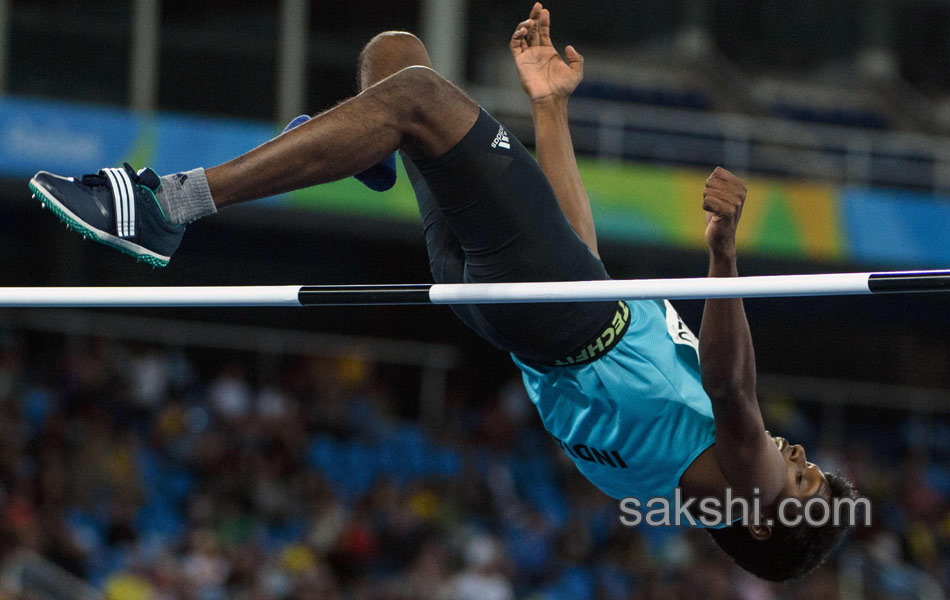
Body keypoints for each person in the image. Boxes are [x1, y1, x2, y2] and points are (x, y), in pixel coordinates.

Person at [28, 2, 856, 582]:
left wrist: (721, 256)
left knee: (421, 98)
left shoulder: (734, 480)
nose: (796, 458)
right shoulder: (669, 458)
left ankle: (166, 207)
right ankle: (364, 150)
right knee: (396, 61)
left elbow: (733, 385)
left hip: (553, 314)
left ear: (762, 522)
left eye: (805, 482)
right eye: (811, 465)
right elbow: (585, 263)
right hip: (517, 305)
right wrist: (551, 112)